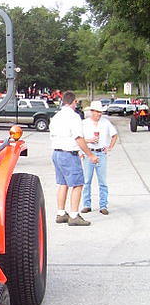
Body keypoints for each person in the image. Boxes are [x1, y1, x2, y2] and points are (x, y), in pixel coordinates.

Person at [49, 91, 99, 226]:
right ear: (74, 102)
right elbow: (78, 138)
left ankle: (61, 213)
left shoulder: (56, 116)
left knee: (63, 183)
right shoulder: (74, 117)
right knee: (77, 184)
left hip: (56, 153)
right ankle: (74, 215)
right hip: (68, 154)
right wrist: (90, 155)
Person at [81, 101, 118, 215]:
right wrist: (88, 142)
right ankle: (87, 204)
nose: (99, 114)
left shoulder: (105, 123)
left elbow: (114, 135)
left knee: (102, 181)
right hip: (89, 152)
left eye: (100, 112)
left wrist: (109, 147)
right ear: (92, 112)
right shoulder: (84, 123)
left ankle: (103, 205)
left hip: (101, 153)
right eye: (97, 112)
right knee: (87, 180)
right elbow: (79, 139)